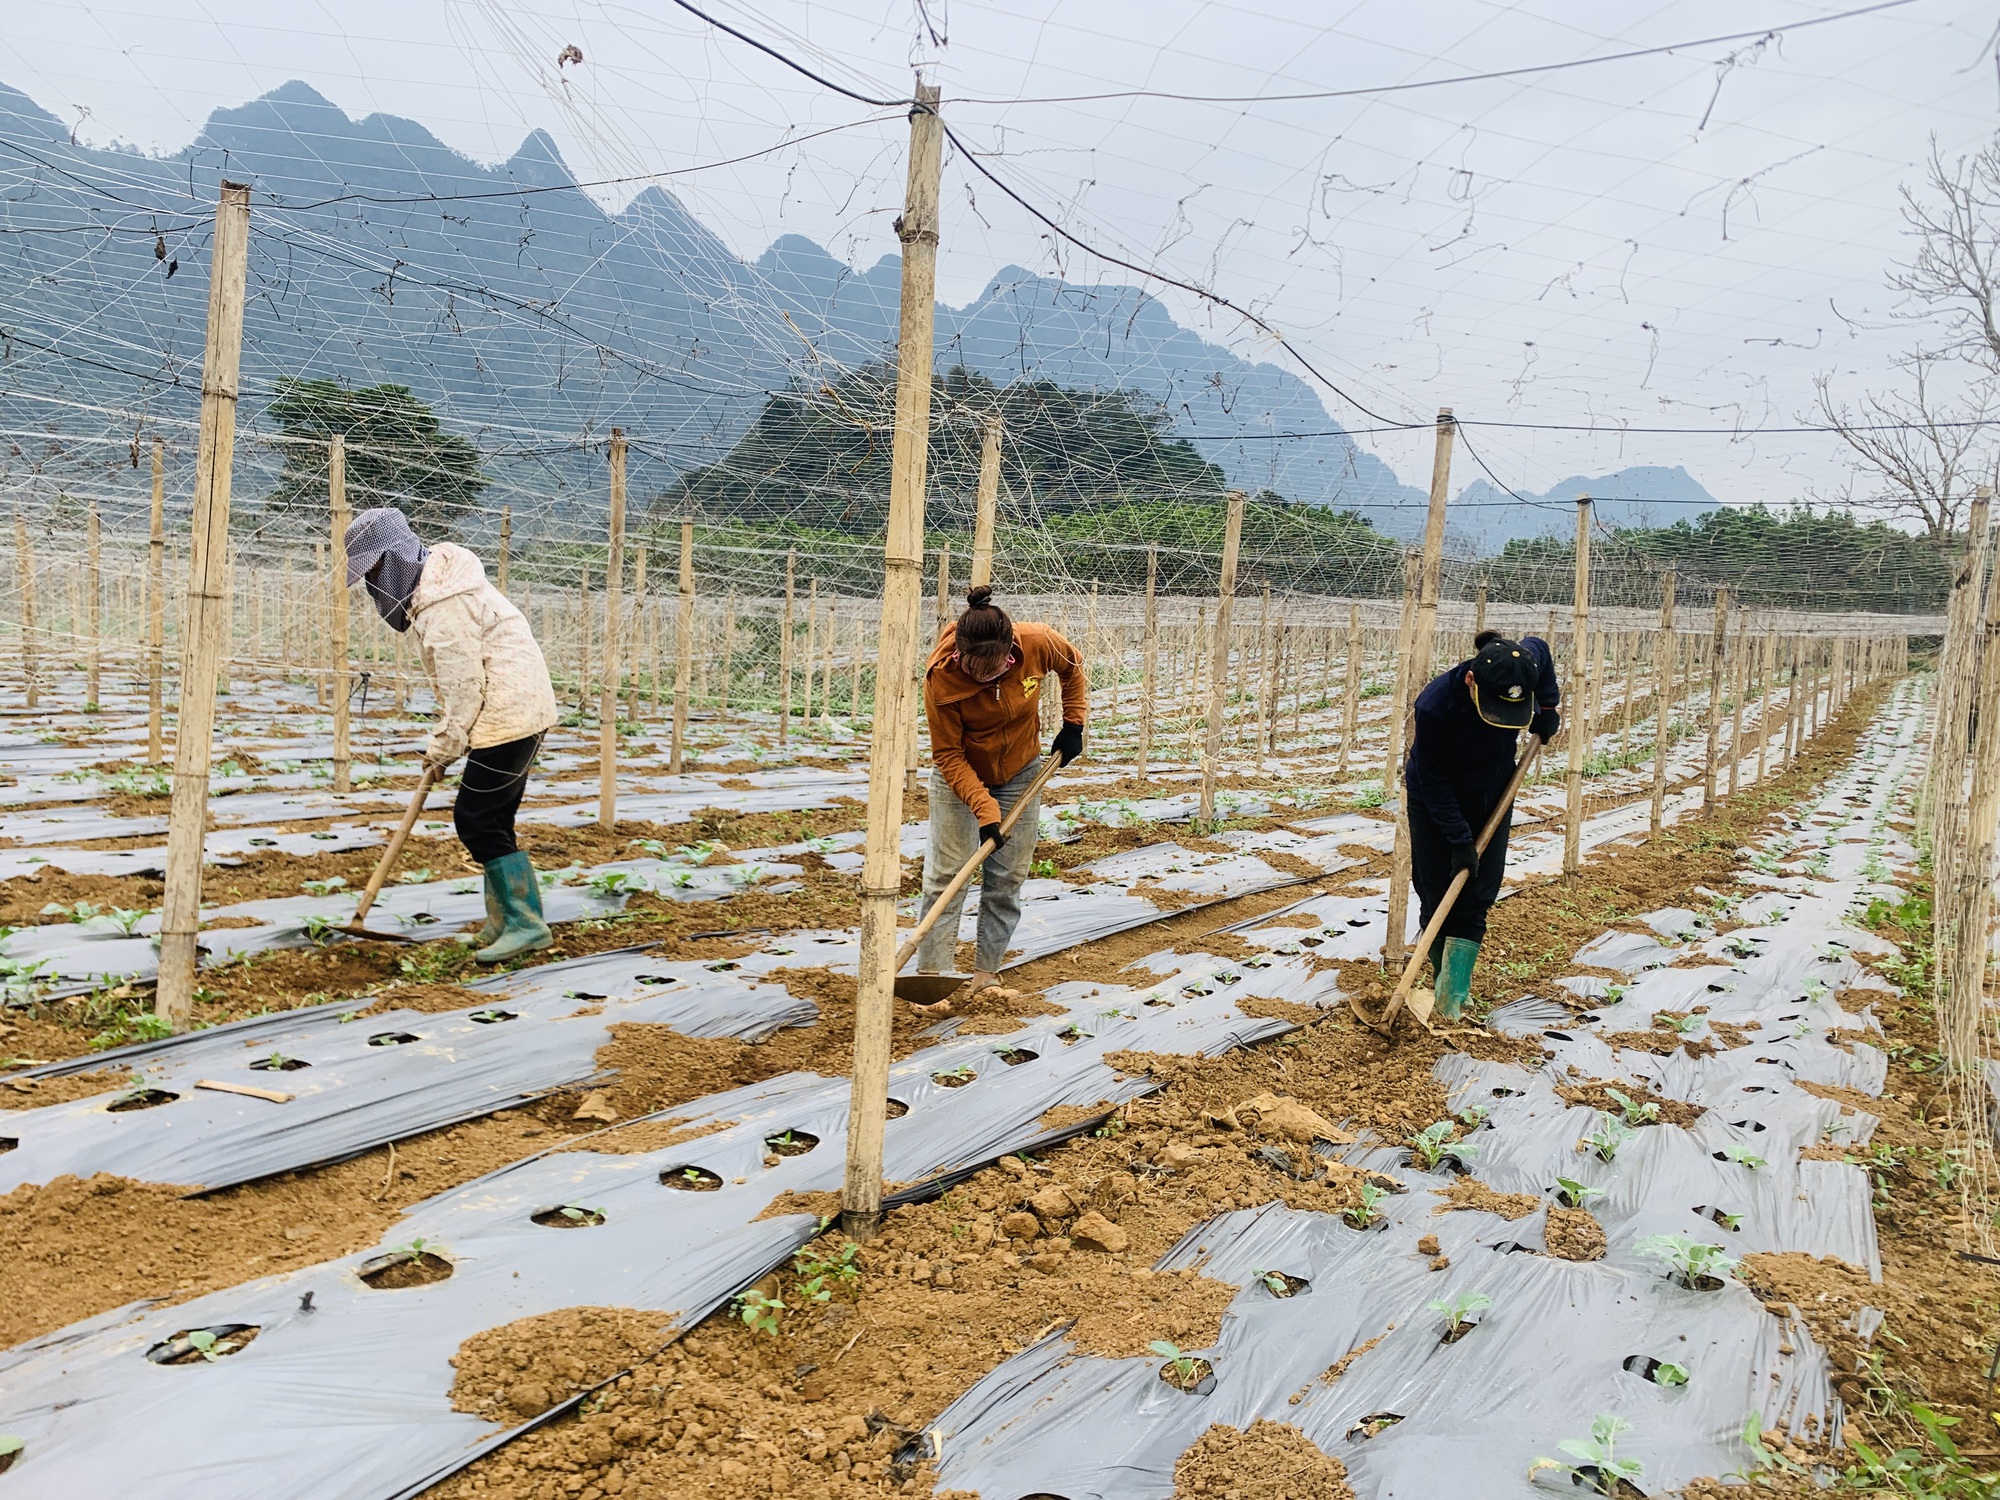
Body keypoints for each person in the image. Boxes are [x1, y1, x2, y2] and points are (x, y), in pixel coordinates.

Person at [343, 507, 560, 963]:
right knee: (493, 819)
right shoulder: (439, 587)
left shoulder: (444, 605)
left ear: (396, 558)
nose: (375, 584)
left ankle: (525, 924)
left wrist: (442, 747)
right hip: (513, 710)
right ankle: (504, 922)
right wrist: (447, 743)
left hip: (509, 715)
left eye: (378, 569)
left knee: (476, 819)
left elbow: (463, 690)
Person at [914, 584, 1087, 1011]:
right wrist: (985, 809)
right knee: (947, 876)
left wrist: (1074, 722)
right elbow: (948, 755)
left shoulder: (1038, 641)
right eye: (976, 671)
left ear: (1011, 649)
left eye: (994, 670)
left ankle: (985, 978)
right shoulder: (941, 679)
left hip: (1021, 770)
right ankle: (932, 980)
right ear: (960, 656)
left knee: (1007, 878)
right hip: (962, 775)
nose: (985, 678)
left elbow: (1073, 667)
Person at [1403, 629, 1561, 1020]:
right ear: (1472, 680)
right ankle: (1441, 977)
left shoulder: (1529, 660)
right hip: (1435, 795)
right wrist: (1458, 840)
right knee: (1435, 886)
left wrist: (1547, 711)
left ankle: (1452, 999)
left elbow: (1540, 651)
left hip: (1493, 790)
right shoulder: (1436, 706)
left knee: (1479, 891)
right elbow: (1434, 781)